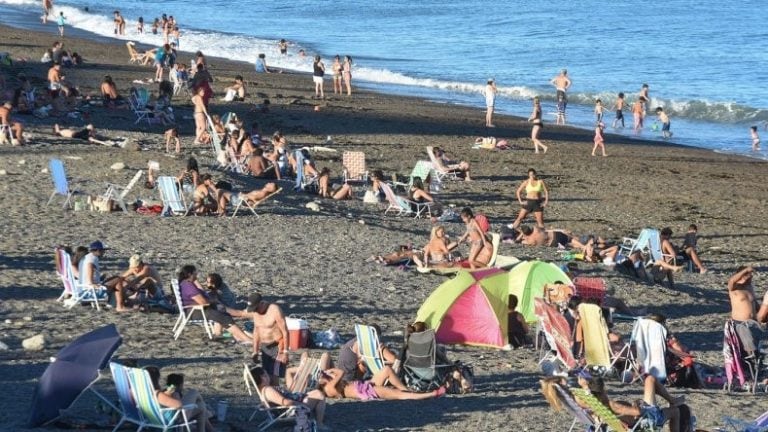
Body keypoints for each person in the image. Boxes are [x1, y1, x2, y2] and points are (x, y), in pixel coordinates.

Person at [578, 371, 682, 432]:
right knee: (675, 411)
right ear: (603, 390)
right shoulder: (611, 405)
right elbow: (637, 413)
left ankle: (673, 400)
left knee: (650, 380)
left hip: (629, 424)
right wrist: (637, 405)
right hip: (644, 424)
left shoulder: (590, 405)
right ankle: (673, 401)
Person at [177, 264, 252, 343]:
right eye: (195, 273)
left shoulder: (186, 284)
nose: (196, 275)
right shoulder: (188, 286)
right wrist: (212, 301)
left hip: (195, 310)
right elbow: (203, 302)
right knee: (223, 316)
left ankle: (233, 335)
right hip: (194, 312)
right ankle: (245, 338)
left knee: (223, 313)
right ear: (189, 274)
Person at [249, 366, 327, 428]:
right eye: (266, 374)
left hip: (294, 403)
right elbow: (285, 402)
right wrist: (301, 405)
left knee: (317, 393)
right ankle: (319, 423)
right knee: (320, 395)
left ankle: (316, 418)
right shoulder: (268, 390)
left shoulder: (265, 389)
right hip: (293, 410)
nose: (268, 376)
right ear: (262, 377)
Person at [144, 366, 213, 432]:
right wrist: (174, 394)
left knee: (201, 406)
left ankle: (208, 426)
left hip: (157, 420)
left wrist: (167, 394)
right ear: (155, 380)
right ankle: (208, 418)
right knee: (194, 393)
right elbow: (179, 405)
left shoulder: (143, 394)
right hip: (173, 421)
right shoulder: (156, 394)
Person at [318, 365, 445, 401]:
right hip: (367, 391)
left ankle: (406, 388)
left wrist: (328, 374)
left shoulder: (330, 385)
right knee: (399, 395)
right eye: (324, 377)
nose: (326, 376)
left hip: (365, 385)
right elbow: (341, 372)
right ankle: (432, 394)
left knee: (386, 370)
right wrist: (330, 371)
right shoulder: (329, 387)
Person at [243, 292, 289, 386]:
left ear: (262, 303)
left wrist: (285, 352)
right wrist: (255, 350)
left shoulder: (274, 310)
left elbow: (285, 331)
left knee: (274, 376)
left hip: (277, 345)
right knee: (266, 376)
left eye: (256, 308)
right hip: (265, 347)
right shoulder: (256, 312)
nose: (255, 311)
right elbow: (256, 330)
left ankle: (277, 395)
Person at [728, 266, 761, 357]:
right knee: (749, 348)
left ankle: (754, 367)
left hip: (753, 322)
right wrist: (746, 270)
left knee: (755, 346)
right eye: (748, 276)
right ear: (741, 276)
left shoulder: (749, 287)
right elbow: (732, 280)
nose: (751, 277)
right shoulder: (734, 287)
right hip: (740, 323)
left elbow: (754, 303)